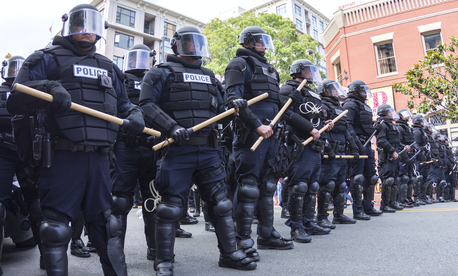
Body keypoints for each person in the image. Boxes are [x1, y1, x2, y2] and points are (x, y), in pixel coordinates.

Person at [6, 4, 146, 275]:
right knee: (56, 227)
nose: (87, 31)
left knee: (107, 225)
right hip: (61, 156)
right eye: (80, 24)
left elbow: (124, 105)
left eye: (92, 25)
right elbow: (15, 100)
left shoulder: (108, 66)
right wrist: (47, 87)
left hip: (100, 158)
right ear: (69, 26)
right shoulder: (44, 59)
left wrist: (136, 114)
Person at [140, 26, 256, 275]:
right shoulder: (159, 73)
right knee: (170, 207)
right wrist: (171, 127)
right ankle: (164, 260)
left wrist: (233, 107)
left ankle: (230, 254)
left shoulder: (211, 76)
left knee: (221, 204)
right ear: (177, 45)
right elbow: (146, 105)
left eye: (198, 43)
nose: (195, 48)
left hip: (208, 150)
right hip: (176, 150)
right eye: (189, 43)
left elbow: (220, 115)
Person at [224, 26, 293, 257]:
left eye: (265, 40)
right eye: (259, 40)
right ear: (248, 42)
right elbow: (233, 99)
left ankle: (267, 233)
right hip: (252, 132)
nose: (264, 44)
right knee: (249, 187)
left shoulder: (272, 70)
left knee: (268, 185)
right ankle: (242, 240)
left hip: (271, 132)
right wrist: (257, 125)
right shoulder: (239, 64)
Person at [280, 59, 334, 243]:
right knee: (300, 185)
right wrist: (309, 129)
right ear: (298, 71)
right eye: (308, 70)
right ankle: (296, 227)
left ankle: (308, 222)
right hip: (300, 143)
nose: (311, 74)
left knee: (312, 186)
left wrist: (326, 122)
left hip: (315, 145)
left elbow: (317, 114)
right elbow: (286, 113)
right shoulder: (288, 89)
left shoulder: (312, 93)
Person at [0, 55, 45, 273]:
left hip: (28, 155)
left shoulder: (34, 93)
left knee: (38, 205)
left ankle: (47, 257)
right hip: (3, 155)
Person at [316, 79, 359, 227]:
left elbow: (345, 129)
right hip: (330, 150)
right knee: (328, 184)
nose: (336, 91)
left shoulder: (339, 107)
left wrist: (354, 147)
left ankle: (339, 215)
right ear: (325, 91)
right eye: (333, 89)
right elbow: (320, 128)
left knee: (341, 185)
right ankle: (321, 217)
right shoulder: (321, 104)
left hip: (342, 150)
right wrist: (327, 147)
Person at [342, 80, 382, 219]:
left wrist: (374, 127)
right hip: (358, 144)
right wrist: (355, 143)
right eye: (363, 90)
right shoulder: (350, 104)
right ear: (356, 91)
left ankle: (368, 206)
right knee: (357, 177)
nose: (365, 93)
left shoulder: (364, 106)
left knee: (371, 177)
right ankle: (358, 210)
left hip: (367, 144)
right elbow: (348, 125)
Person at [375, 104, 406, 212]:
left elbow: (395, 141)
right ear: (384, 113)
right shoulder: (382, 124)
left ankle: (393, 202)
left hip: (395, 156)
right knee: (388, 180)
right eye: (389, 112)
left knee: (396, 180)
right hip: (387, 157)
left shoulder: (391, 124)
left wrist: (403, 147)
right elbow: (382, 141)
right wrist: (392, 151)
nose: (391, 114)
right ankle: (384, 205)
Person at [395, 109, 417, 208]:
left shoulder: (407, 127)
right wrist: (404, 156)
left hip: (410, 155)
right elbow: (399, 144)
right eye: (405, 115)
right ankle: (401, 199)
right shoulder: (399, 127)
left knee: (411, 178)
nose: (407, 117)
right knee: (404, 178)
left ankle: (408, 198)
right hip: (403, 156)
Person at [411, 114, 429, 205]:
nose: (423, 122)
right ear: (418, 122)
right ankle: (417, 197)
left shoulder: (421, 130)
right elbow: (417, 145)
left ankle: (422, 196)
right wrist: (422, 156)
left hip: (423, 156)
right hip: (418, 157)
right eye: (421, 121)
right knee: (418, 177)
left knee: (424, 177)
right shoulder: (417, 131)